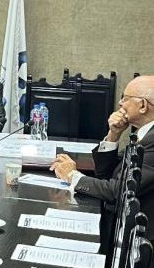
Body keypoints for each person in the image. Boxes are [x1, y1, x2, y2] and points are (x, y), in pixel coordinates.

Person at [51, 75, 154, 239]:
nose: (120, 103)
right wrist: (114, 134)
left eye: (125, 98)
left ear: (142, 105)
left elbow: (120, 191)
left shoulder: (152, 140)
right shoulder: (145, 133)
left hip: (141, 236)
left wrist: (73, 176)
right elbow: (107, 175)